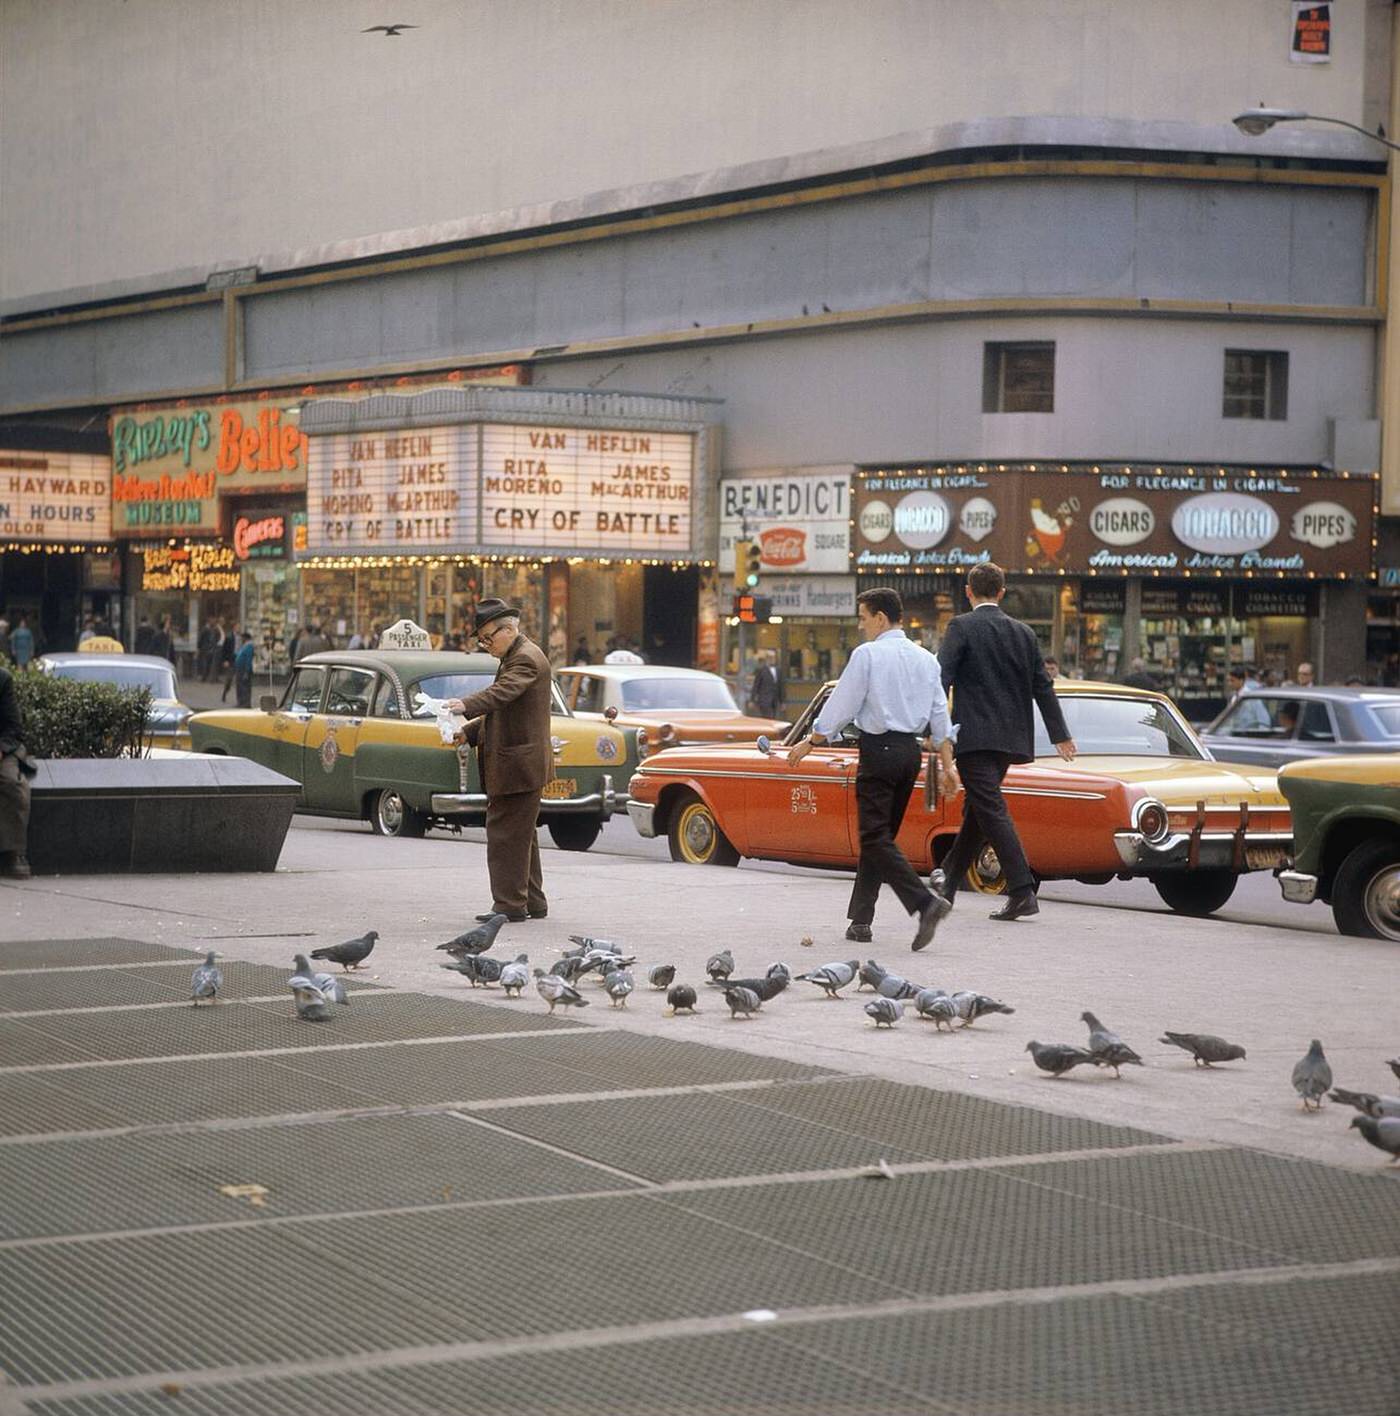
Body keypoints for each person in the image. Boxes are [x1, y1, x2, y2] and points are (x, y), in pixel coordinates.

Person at [787, 588, 957, 951]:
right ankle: (860, 921)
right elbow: (941, 718)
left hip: (879, 752)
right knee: (879, 839)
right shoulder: (927, 660)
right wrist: (947, 766)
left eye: (863, 617)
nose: (861, 625)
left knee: (874, 838)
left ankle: (925, 904)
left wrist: (811, 740)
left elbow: (842, 704)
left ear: (881, 618)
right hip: (909, 755)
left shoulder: (867, 655)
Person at [934, 562, 1076, 925]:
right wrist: (1060, 734)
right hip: (1010, 739)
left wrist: (934, 729)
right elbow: (1042, 686)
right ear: (1001, 592)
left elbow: (941, 679)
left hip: (974, 737)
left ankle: (1022, 889)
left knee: (990, 809)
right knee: (978, 810)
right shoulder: (1024, 632)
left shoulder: (961, 626)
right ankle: (947, 883)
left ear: (968, 592)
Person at [445, 599, 554, 923]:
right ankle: (532, 901)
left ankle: (509, 905)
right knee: (521, 836)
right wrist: (470, 732)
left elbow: (499, 695)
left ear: (508, 630)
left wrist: (461, 704)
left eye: (488, 638)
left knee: (506, 835)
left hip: (518, 764)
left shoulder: (524, 659)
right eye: (482, 640)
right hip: (521, 761)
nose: (485, 645)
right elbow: (504, 711)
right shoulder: (515, 655)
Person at [0, 662, 35, 878]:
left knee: (12, 783)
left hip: (3, 749)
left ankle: (15, 853)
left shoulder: (2, 679)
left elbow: (13, 727)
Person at [748, 649, 782, 718]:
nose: (772, 659)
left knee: (773, 718)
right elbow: (756, 685)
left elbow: (780, 686)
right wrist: (752, 699)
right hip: (764, 700)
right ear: (767, 658)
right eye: (770, 657)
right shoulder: (761, 670)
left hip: (774, 700)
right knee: (767, 717)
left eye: (773, 657)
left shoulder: (778, 670)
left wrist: (782, 701)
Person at [233, 633, 256, 708]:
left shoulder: (249, 647)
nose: (241, 639)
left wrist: (246, 672)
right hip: (240, 669)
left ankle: (245, 703)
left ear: (246, 638)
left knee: (244, 687)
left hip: (243, 669)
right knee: (239, 686)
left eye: (242, 638)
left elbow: (248, 660)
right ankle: (241, 702)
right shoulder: (245, 646)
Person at [219, 622, 240, 703]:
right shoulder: (229, 637)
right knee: (229, 679)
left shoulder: (241, 637)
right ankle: (225, 693)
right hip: (231, 659)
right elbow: (224, 650)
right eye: (237, 627)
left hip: (238, 658)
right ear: (234, 627)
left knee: (239, 680)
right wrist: (225, 660)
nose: (239, 629)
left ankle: (239, 699)